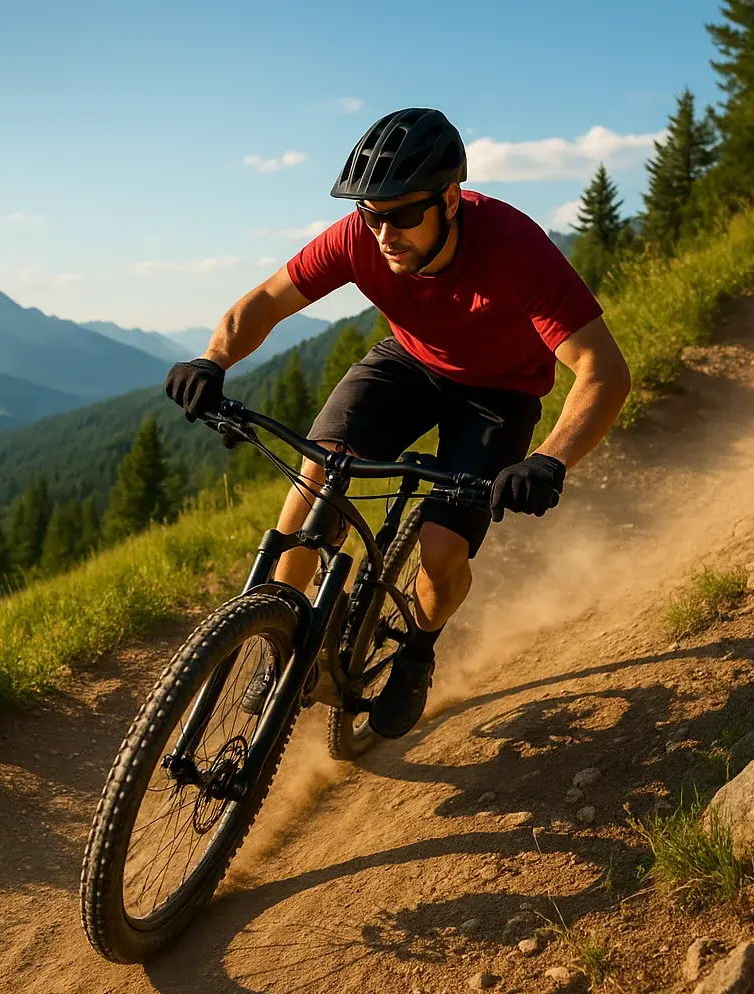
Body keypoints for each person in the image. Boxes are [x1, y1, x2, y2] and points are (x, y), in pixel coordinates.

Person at [165, 108, 631, 738]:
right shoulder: (361, 236)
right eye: (370, 212)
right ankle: (280, 636)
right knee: (316, 473)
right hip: (408, 362)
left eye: (405, 214)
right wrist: (212, 359)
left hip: (498, 392)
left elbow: (603, 370)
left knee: (441, 551)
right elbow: (267, 302)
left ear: (451, 199)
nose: (385, 232)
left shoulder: (516, 249)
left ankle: (417, 652)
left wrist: (548, 459)